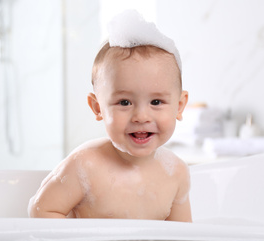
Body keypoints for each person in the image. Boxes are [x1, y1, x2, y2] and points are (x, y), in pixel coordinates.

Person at [28, 10, 191, 222]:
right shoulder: (85, 165)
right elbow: (41, 210)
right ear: (97, 108)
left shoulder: (176, 173)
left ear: (179, 106)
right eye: (124, 102)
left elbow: (184, 238)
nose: (141, 116)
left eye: (156, 102)